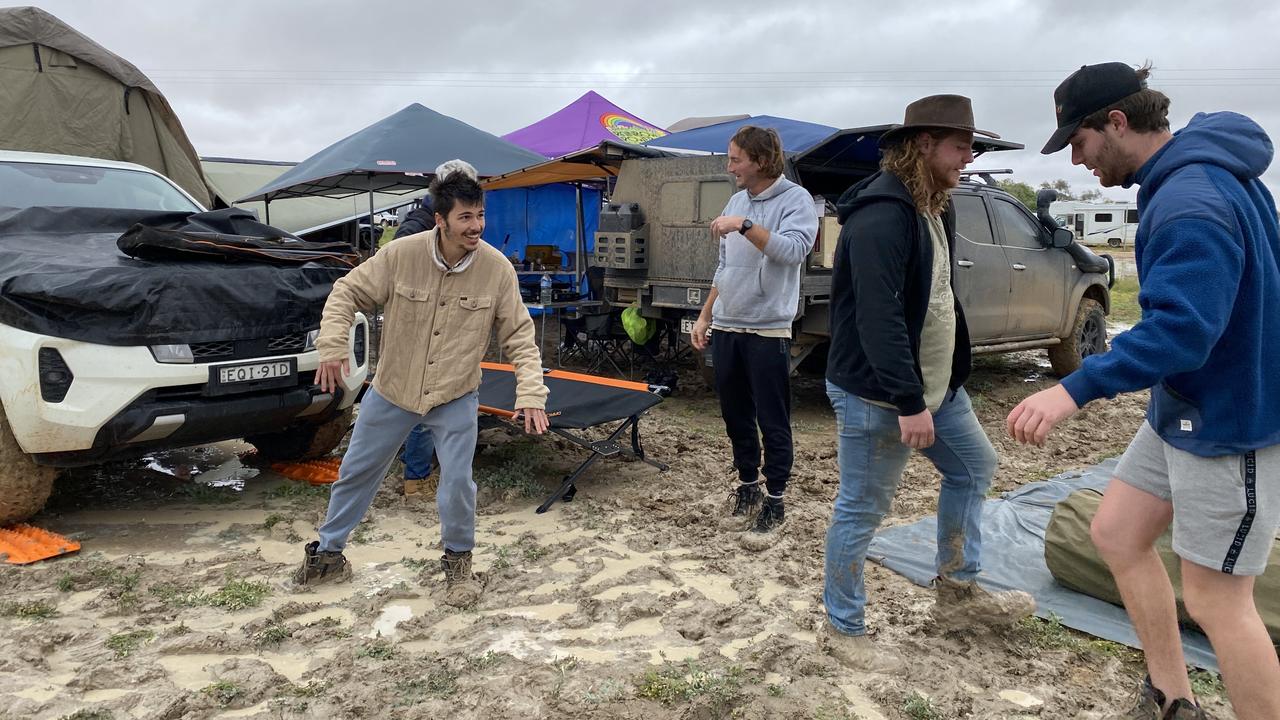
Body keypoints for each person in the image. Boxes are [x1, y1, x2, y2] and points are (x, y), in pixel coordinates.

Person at [1010, 62, 1280, 720]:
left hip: (1228, 424)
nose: (1078, 161)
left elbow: (1183, 333)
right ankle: (1172, 698)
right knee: (1116, 534)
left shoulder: (1191, 202)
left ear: (1118, 123)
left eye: (1079, 142)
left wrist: (1074, 389)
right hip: (1184, 412)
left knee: (1219, 601)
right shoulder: (1194, 174)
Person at [821, 95, 1036, 673]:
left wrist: (941, 384)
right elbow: (877, 316)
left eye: (972, 146)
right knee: (862, 509)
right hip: (880, 393)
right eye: (961, 146)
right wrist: (908, 401)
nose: (970, 157)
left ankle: (957, 597)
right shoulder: (878, 215)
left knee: (973, 468)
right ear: (922, 144)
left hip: (938, 388)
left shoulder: (935, 207)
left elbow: (938, 298)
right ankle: (844, 627)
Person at [294, 168, 549, 608]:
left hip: (454, 394)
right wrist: (333, 346)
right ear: (441, 220)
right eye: (466, 217)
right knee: (356, 472)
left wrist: (531, 393)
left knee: (457, 482)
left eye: (480, 215)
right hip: (394, 389)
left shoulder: (496, 269)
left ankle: (458, 564)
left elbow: (519, 338)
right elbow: (345, 291)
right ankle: (328, 555)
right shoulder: (400, 256)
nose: (476, 226)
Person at [688, 125, 818, 540]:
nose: (730, 168)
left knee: (772, 418)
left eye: (735, 159)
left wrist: (744, 224)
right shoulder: (736, 199)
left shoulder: (796, 200)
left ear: (761, 161)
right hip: (727, 324)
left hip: (768, 330)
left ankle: (775, 501)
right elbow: (724, 268)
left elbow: (794, 251)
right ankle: (747, 487)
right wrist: (706, 315)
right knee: (735, 415)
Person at [391, 160, 481, 496]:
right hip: (421, 331)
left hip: (447, 329)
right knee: (423, 406)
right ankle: (416, 478)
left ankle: (414, 466)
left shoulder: (436, 219)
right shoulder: (417, 228)